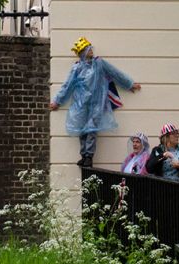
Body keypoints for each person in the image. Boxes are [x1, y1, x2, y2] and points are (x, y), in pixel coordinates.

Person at [48, 37, 142, 168]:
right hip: (80, 103)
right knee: (81, 129)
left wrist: (129, 84)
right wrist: (57, 101)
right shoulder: (77, 67)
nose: (91, 50)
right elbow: (67, 85)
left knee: (92, 130)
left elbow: (115, 73)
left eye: (91, 48)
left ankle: (89, 156)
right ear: (82, 52)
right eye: (88, 48)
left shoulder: (99, 63)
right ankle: (83, 155)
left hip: (96, 103)